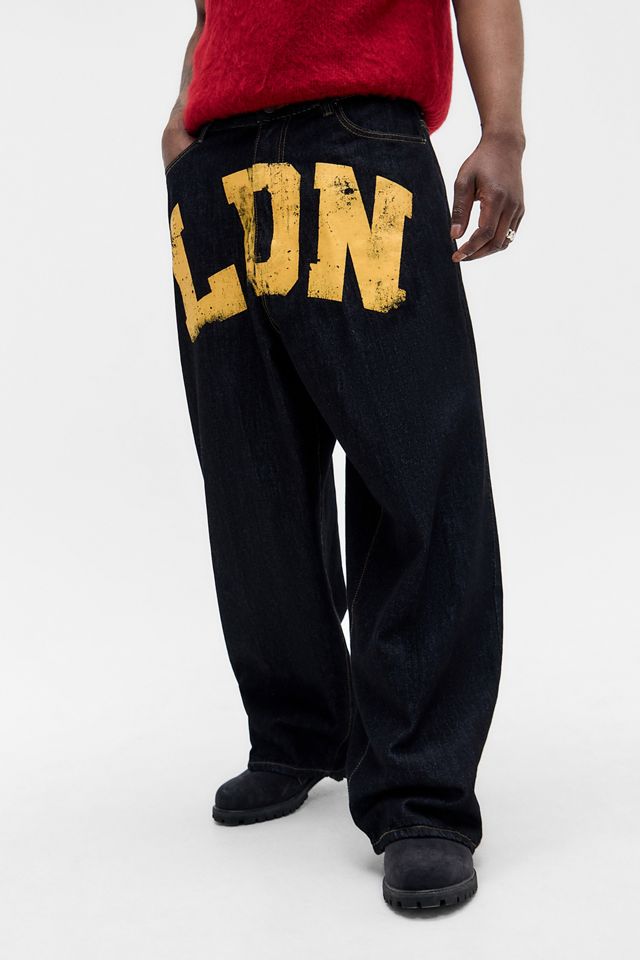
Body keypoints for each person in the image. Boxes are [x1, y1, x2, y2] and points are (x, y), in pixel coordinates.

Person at [161, 0, 525, 911]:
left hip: (359, 137)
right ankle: (297, 730)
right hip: (217, 164)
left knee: (416, 473)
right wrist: (181, 119)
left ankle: (420, 795)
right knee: (252, 482)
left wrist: (503, 131)